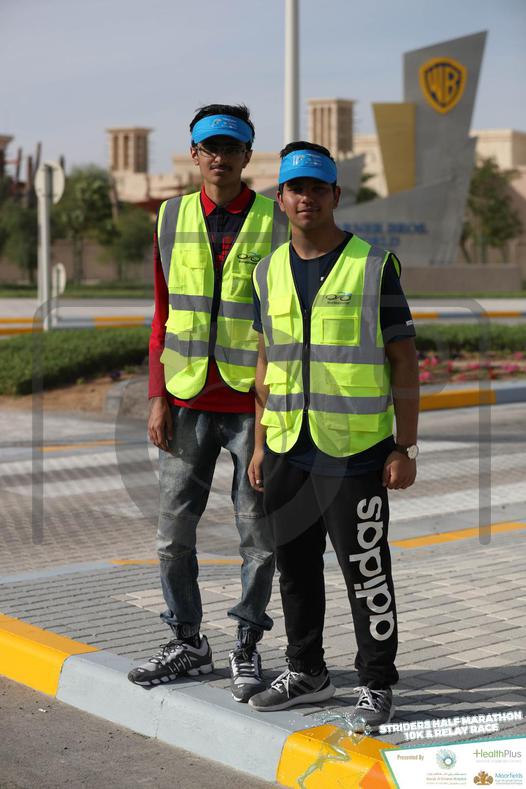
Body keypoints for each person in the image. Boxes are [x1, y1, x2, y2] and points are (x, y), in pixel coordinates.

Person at [247, 141, 419, 730]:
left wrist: (404, 445)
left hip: (356, 452)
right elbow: (267, 360)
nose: (307, 198)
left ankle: (376, 683)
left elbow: (404, 359)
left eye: (318, 188)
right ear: (280, 198)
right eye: (296, 188)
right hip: (287, 446)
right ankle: (307, 671)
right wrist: (260, 443)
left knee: (366, 572)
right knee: (295, 569)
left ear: (335, 195)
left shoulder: (373, 264)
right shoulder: (266, 271)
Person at [128, 104, 288, 703]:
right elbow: (163, 312)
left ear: (248, 155)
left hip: (252, 404)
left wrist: (273, 414)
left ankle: (246, 642)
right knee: (172, 535)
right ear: (195, 154)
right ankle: (188, 642)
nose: (220, 157)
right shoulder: (170, 217)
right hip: (186, 398)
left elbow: (287, 323)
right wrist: (157, 397)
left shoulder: (275, 221)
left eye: (232, 148)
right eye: (210, 147)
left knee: (258, 536)